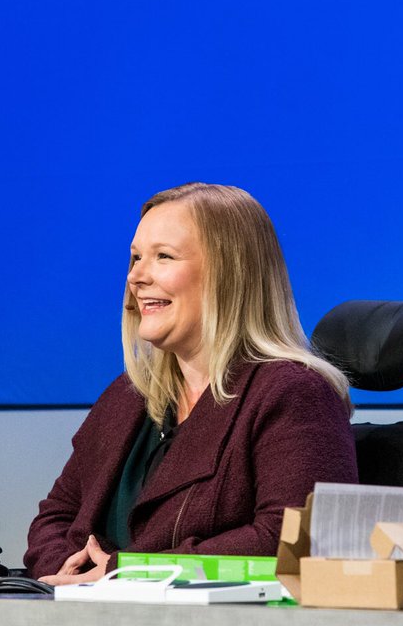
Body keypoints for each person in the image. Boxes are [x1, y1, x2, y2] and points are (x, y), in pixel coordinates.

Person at [25, 183, 358, 584]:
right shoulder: (126, 396)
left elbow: (288, 540)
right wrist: (65, 566)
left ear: (229, 273)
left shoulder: (292, 392)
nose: (136, 276)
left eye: (163, 257)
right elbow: (56, 515)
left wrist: (122, 573)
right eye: (135, 258)